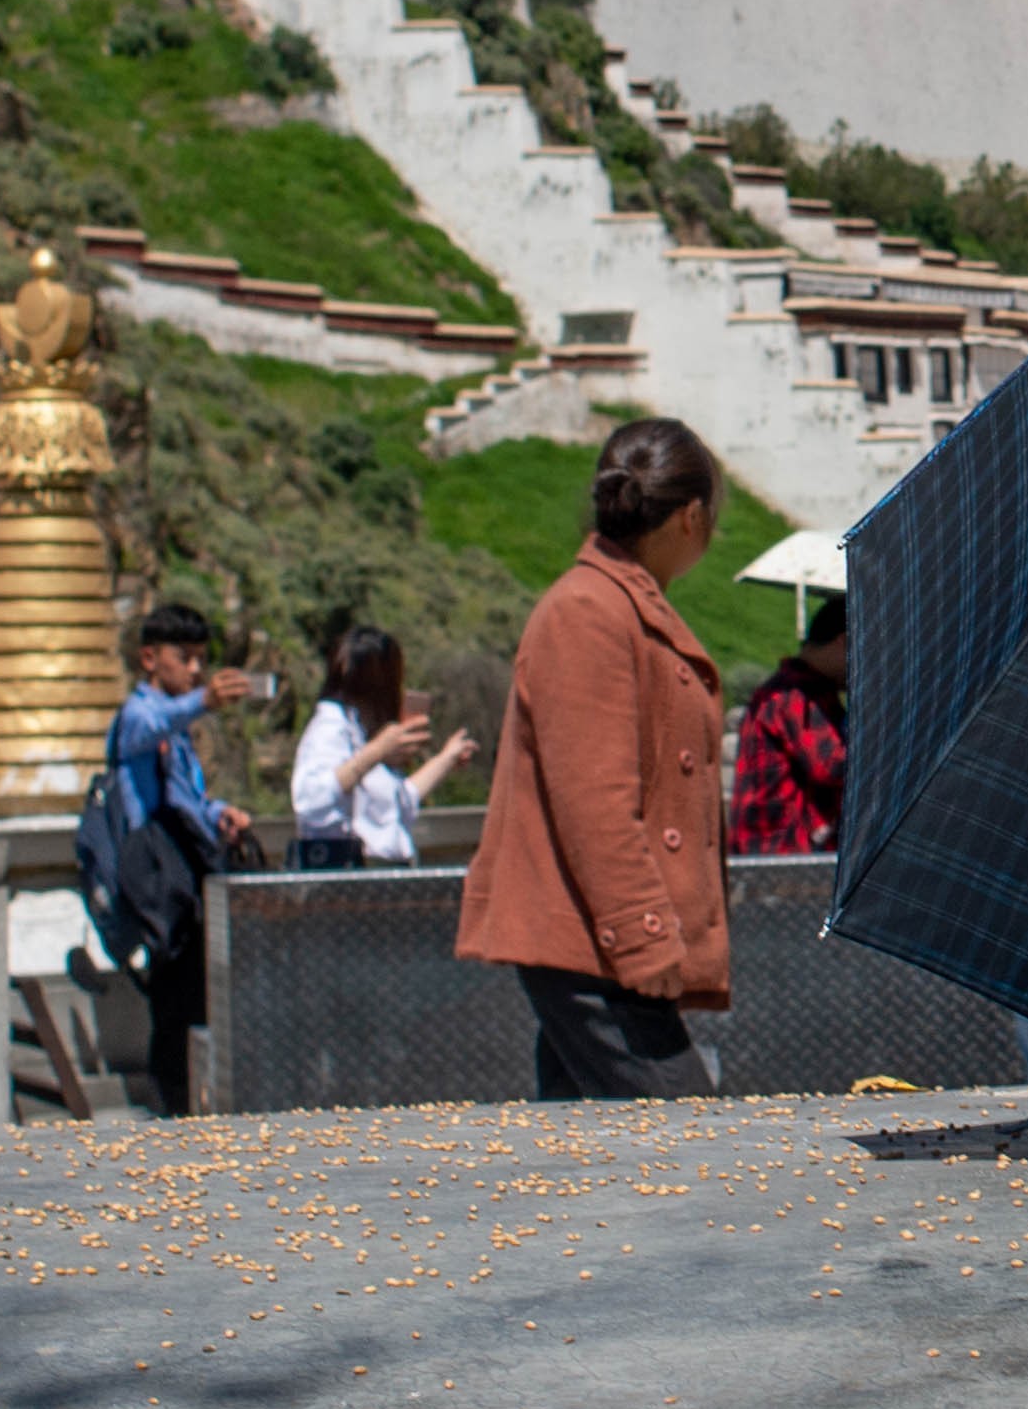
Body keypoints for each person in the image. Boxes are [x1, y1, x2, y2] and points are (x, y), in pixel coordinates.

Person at [456, 417, 734, 1095]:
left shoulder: (615, 603)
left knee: (589, 1163)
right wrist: (643, 935)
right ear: (693, 516)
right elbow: (595, 803)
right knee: (688, 1147)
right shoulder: (588, 609)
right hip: (599, 943)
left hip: (597, 939)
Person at [82, 598, 265, 1106]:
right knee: (173, 1002)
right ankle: (172, 1108)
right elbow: (144, 732)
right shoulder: (140, 716)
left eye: (198, 659)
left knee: (195, 996)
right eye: (183, 657)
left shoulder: (177, 729)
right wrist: (204, 701)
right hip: (158, 882)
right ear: (149, 659)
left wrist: (219, 813)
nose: (194, 669)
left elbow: (189, 797)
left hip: (187, 875)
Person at [289, 625, 472, 870]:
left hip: (387, 873)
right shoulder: (331, 728)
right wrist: (376, 752)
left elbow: (400, 806)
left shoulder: (363, 734)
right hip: (350, 875)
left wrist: (446, 759)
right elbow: (312, 803)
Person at [726, 595, 850, 857]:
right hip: (775, 853)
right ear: (844, 641)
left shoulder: (811, 691)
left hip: (781, 852)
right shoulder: (794, 693)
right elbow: (834, 765)